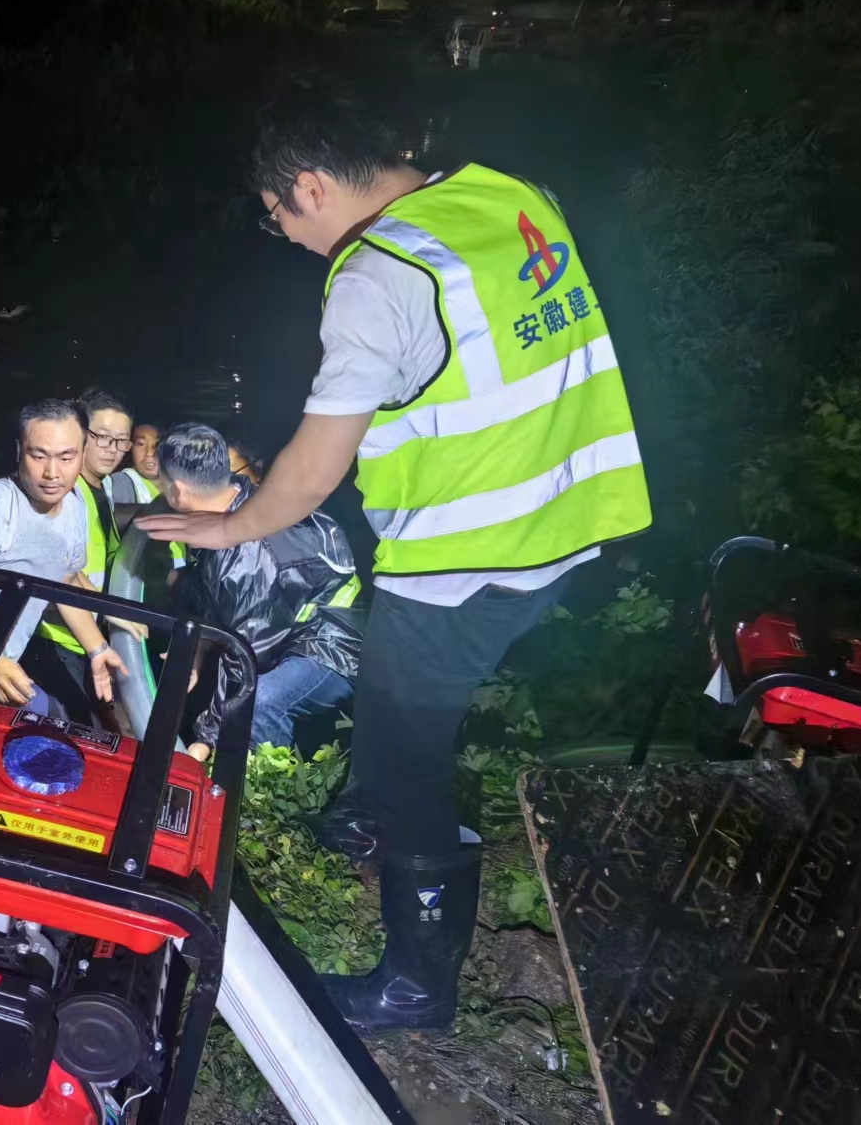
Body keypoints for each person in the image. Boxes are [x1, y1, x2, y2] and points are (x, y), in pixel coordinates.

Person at [138, 81, 651, 1034]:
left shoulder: (377, 275)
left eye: (278, 218)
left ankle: (417, 981)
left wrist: (227, 529)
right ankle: (378, 817)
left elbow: (312, 468)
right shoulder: (507, 193)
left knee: (400, 750)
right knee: (397, 723)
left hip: (469, 555)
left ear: (308, 186)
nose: (290, 238)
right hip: (574, 518)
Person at [156, 423, 361, 759]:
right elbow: (216, 600)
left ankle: (260, 787)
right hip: (295, 629)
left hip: (337, 644)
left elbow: (245, 654)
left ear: (178, 491)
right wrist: (197, 653)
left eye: (161, 485)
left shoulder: (247, 555)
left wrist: (205, 739)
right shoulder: (235, 502)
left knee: (259, 705)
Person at [0, 398, 128, 724]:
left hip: (3, 660)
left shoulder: (75, 503)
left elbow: (64, 580)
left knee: (57, 726)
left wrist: (98, 649)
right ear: (20, 451)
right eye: (39, 455)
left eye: (66, 457)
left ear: (82, 453)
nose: (52, 473)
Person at [20, 388, 139, 716]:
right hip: (53, 635)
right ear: (80, 435)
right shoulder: (64, 492)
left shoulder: (105, 486)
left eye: (121, 441)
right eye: (103, 437)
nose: (112, 449)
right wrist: (109, 611)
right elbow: (60, 569)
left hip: (84, 633)